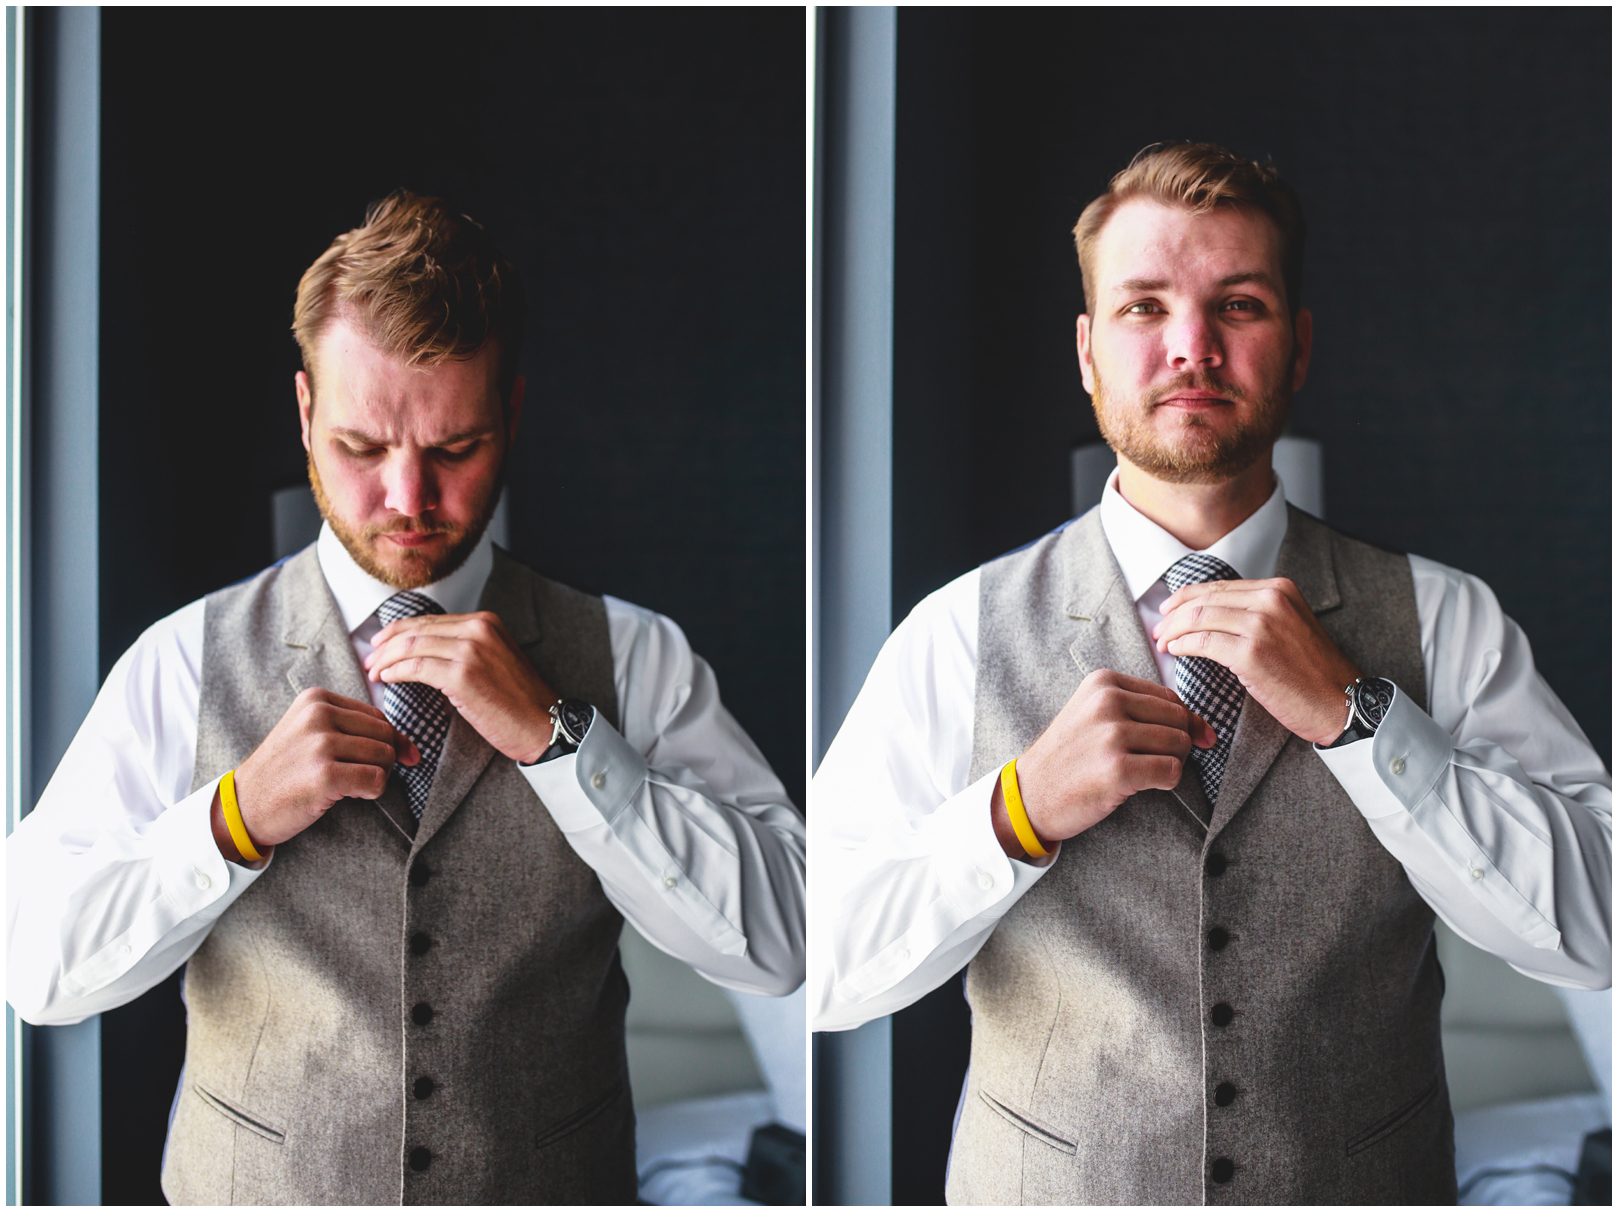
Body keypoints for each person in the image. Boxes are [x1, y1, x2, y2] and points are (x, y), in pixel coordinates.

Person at [809, 143, 1610, 1205]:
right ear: (1088, 353)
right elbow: (812, 965)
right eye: (1144, 309)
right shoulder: (956, 632)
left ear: (1298, 346)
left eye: (1236, 305)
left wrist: (1361, 719)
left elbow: (1595, 923)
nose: (1192, 347)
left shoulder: (1442, 618)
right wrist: (1013, 812)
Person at [7, 191, 806, 1205]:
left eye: (454, 450)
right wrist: (228, 821)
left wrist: (565, 745)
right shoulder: (184, 662)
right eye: (361, 447)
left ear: (510, 413)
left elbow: (785, 938)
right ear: (305, 414)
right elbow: (36, 964)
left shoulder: (633, 656)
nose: (407, 499)